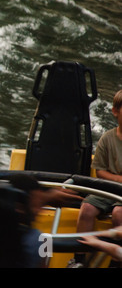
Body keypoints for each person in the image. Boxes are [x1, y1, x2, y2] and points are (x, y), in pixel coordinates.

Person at [69, 90, 122, 268]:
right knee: (87, 208)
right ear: (115, 111)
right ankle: (79, 259)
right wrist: (119, 180)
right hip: (108, 189)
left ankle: (115, 262)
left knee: (118, 214)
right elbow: (100, 172)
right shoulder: (107, 139)